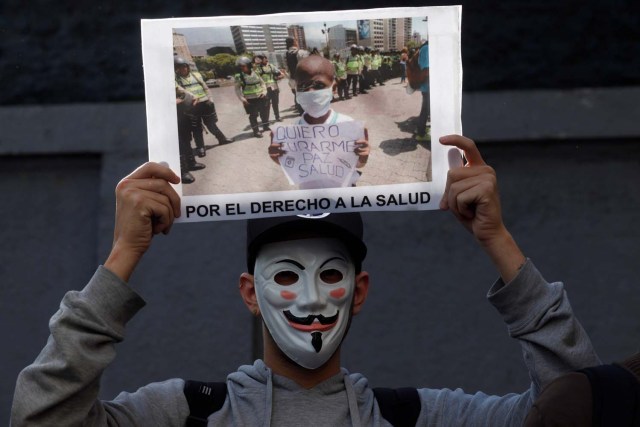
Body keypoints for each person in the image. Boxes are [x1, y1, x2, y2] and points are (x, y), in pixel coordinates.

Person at [11, 135, 601, 426]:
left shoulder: (421, 418)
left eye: (332, 276)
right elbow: (42, 419)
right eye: (287, 276)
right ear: (250, 293)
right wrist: (122, 256)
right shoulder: (182, 414)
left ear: (360, 291)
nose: (314, 298)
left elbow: (581, 411)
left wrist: (499, 242)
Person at [268, 55, 370, 188]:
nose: (310, 91)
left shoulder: (348, 125)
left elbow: (356, 164)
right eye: (303, 86)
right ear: (296, 92)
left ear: (333, 89)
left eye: (319, 85)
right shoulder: (292, 131)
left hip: (344, 197)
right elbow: (294, 164)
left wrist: (363, 158)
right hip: (311, 200)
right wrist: (278, 158)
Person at [174, 57, 234, 158]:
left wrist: (210, 99)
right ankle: (200, 148)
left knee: (211, 124)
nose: (183, 69)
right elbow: (180, 91)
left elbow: (205, 87)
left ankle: (222, 139)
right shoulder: (176, 80)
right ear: (176, 69)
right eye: (180, 67)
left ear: (187, 67)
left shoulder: (196, 75)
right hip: (192, 106)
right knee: (196, 128)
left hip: (205, 103)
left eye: (184, 66)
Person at [234, 56, 269, 138]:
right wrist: (242, 99)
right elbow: (237, 89)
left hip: (260, 96)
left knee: (264, 113)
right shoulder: (239, 76)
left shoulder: (256, 72)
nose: (241, 68)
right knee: (253, 116)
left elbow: (262, 83)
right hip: (249, 99)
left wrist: (264, 92)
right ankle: (256, 131)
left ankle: (265, 126)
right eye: (240, 66)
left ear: (248, 65)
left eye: (243, 66)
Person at [175, 90, 204, 184]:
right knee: (177, 143)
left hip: (180, 113)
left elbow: (180, 90)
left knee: (186, 138)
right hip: (165, 114)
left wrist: (191, 96)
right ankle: (182, 171)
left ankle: (191, 163)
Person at [285, 37, 309, 116]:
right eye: (296, 40)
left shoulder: (286, 54)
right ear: (294, 42)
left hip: (293, 79)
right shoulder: (301, 52)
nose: (297, 41)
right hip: (302, 79)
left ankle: (301, 112)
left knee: (298, 95)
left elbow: (287, 68)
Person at [255, 55, 283, 122]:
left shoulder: (271, 66)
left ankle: (277, 117)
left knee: (275, 103)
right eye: (262, 59)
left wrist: (278, 77)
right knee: (266, 105)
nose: (264, 60)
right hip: (265, 89)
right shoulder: (257, 68)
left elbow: (280, 73)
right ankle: (266, 121)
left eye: (264, 59)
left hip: (274, 87)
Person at [414, 40, 430, 142]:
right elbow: (426, 70)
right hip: (428, 86)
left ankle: (421, 129)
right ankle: (421, 133)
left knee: (426, 109)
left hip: (426, 86)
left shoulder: (424, 48)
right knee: (425, 110)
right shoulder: (427, 49)